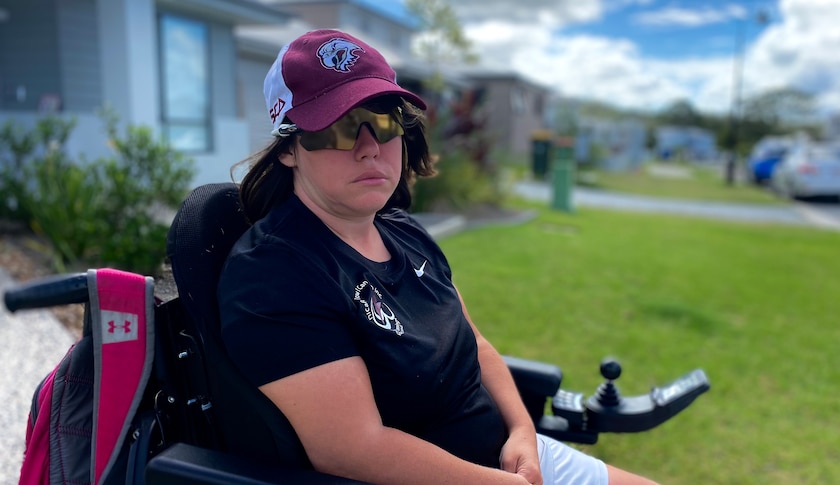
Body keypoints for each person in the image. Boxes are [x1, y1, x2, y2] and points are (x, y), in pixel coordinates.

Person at [218, 28, 658, 485]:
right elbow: (351, 449)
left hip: (510, 460)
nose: (370, 146)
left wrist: (523, 431)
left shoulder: (403, 230)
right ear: (289, 147)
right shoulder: (272, 275)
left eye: (385, 121)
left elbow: (476, 343)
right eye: (339, 126)